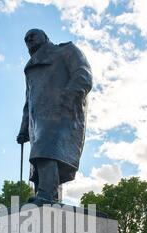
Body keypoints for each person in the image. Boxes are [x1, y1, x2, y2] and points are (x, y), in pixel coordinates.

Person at [17, 29, 92, 205]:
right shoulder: (30, 69)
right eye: (26, 38)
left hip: (63, 112)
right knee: (38, 159)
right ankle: (46, 196)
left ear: (46, 36)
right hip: (38, 120)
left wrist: (66, 99)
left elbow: (84, 76)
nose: (29, 39)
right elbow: (29, 100)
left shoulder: (66, 50)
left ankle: (46, 194)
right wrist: (23, 129)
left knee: (45, 151)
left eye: (33, 35)